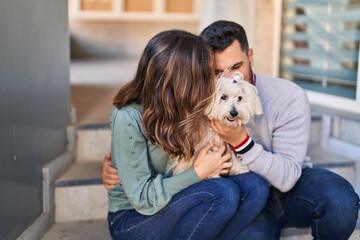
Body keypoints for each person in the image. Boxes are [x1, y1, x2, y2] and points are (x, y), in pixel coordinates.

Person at [103, 21, 360, 239]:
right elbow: (144, 145)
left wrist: (240, 142)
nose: (226, 78)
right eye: (215, 72)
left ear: (250, 57)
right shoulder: (196, 97)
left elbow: (287, 177)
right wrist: (118, 167)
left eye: (235, 67)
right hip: (221, 195)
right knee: (227, 194)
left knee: (337, 199)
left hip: (279, 188)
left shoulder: (288, 96)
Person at [106, 29, 269, 240]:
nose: (211, 81)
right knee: (222, 193)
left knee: (255, 187)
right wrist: (199, 171)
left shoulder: (191, 103)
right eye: (204, 74)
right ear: (179, 79)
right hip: (132, 218)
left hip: (178, 198)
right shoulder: (128, 117)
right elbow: (142, 199)